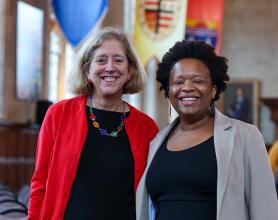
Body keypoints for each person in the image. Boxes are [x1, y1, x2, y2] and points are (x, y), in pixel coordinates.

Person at [136, 40, 278, 220]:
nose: (187, 87)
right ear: (168, 90)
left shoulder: (246, 136)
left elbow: (266, 212)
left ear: (213, 90)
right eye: (178, 81)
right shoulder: (156, 142)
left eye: (198, 81)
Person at [28, 27, 159, 220]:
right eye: (101, 60)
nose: (110, 67)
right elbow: (40, 183)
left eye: (118, 60)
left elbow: (152, 193)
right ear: (87, 70)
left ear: (130, 71)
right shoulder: (59, 114)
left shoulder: (147, 127)